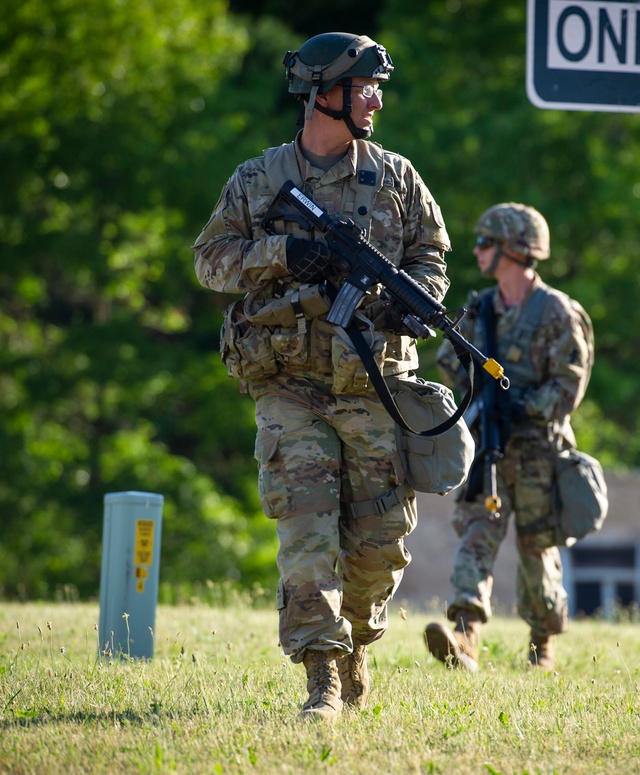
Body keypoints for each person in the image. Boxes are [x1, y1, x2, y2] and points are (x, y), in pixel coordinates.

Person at [193, 32, 451, 722]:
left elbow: (432, 258)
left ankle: (356, 643)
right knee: (307, 533)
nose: (377, 98)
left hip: (372, 385)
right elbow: (209, 261)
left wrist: (410, 297)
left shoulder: (397, 177)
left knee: (379, 544)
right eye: (365, 86)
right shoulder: (259, 178)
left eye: (377, 87)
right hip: (290, 385)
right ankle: (321, 681)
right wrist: (282, 252)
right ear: (323, 95)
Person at [424, 203, 593, 672]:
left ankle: (542, 647)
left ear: (515, 251)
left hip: (539, 447)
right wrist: (480, 388)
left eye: (485, 243)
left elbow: (569, 382)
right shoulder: (480, 308)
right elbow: (447, 359)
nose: (476, 251)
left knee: (538, 546)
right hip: (491, 445)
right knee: (476, 532)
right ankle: (465, 637)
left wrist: (523, 404)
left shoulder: (556, 312)